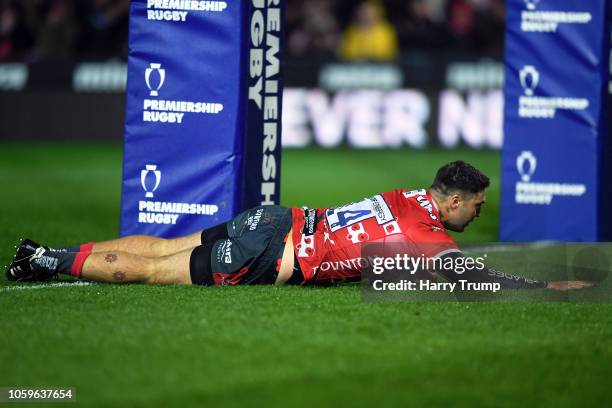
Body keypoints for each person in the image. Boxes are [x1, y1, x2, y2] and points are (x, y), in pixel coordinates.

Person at [5, 161, 592, 291]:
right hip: (273, 253)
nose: (480, 212)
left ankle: (45, 252)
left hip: (277, 215)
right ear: (455, 200)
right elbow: (472, 274)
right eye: (477, 204)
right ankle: (44, 262)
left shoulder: (411, 193)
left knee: (161, 244)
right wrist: (543, 286)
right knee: (155, 270)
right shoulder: (427, 236)